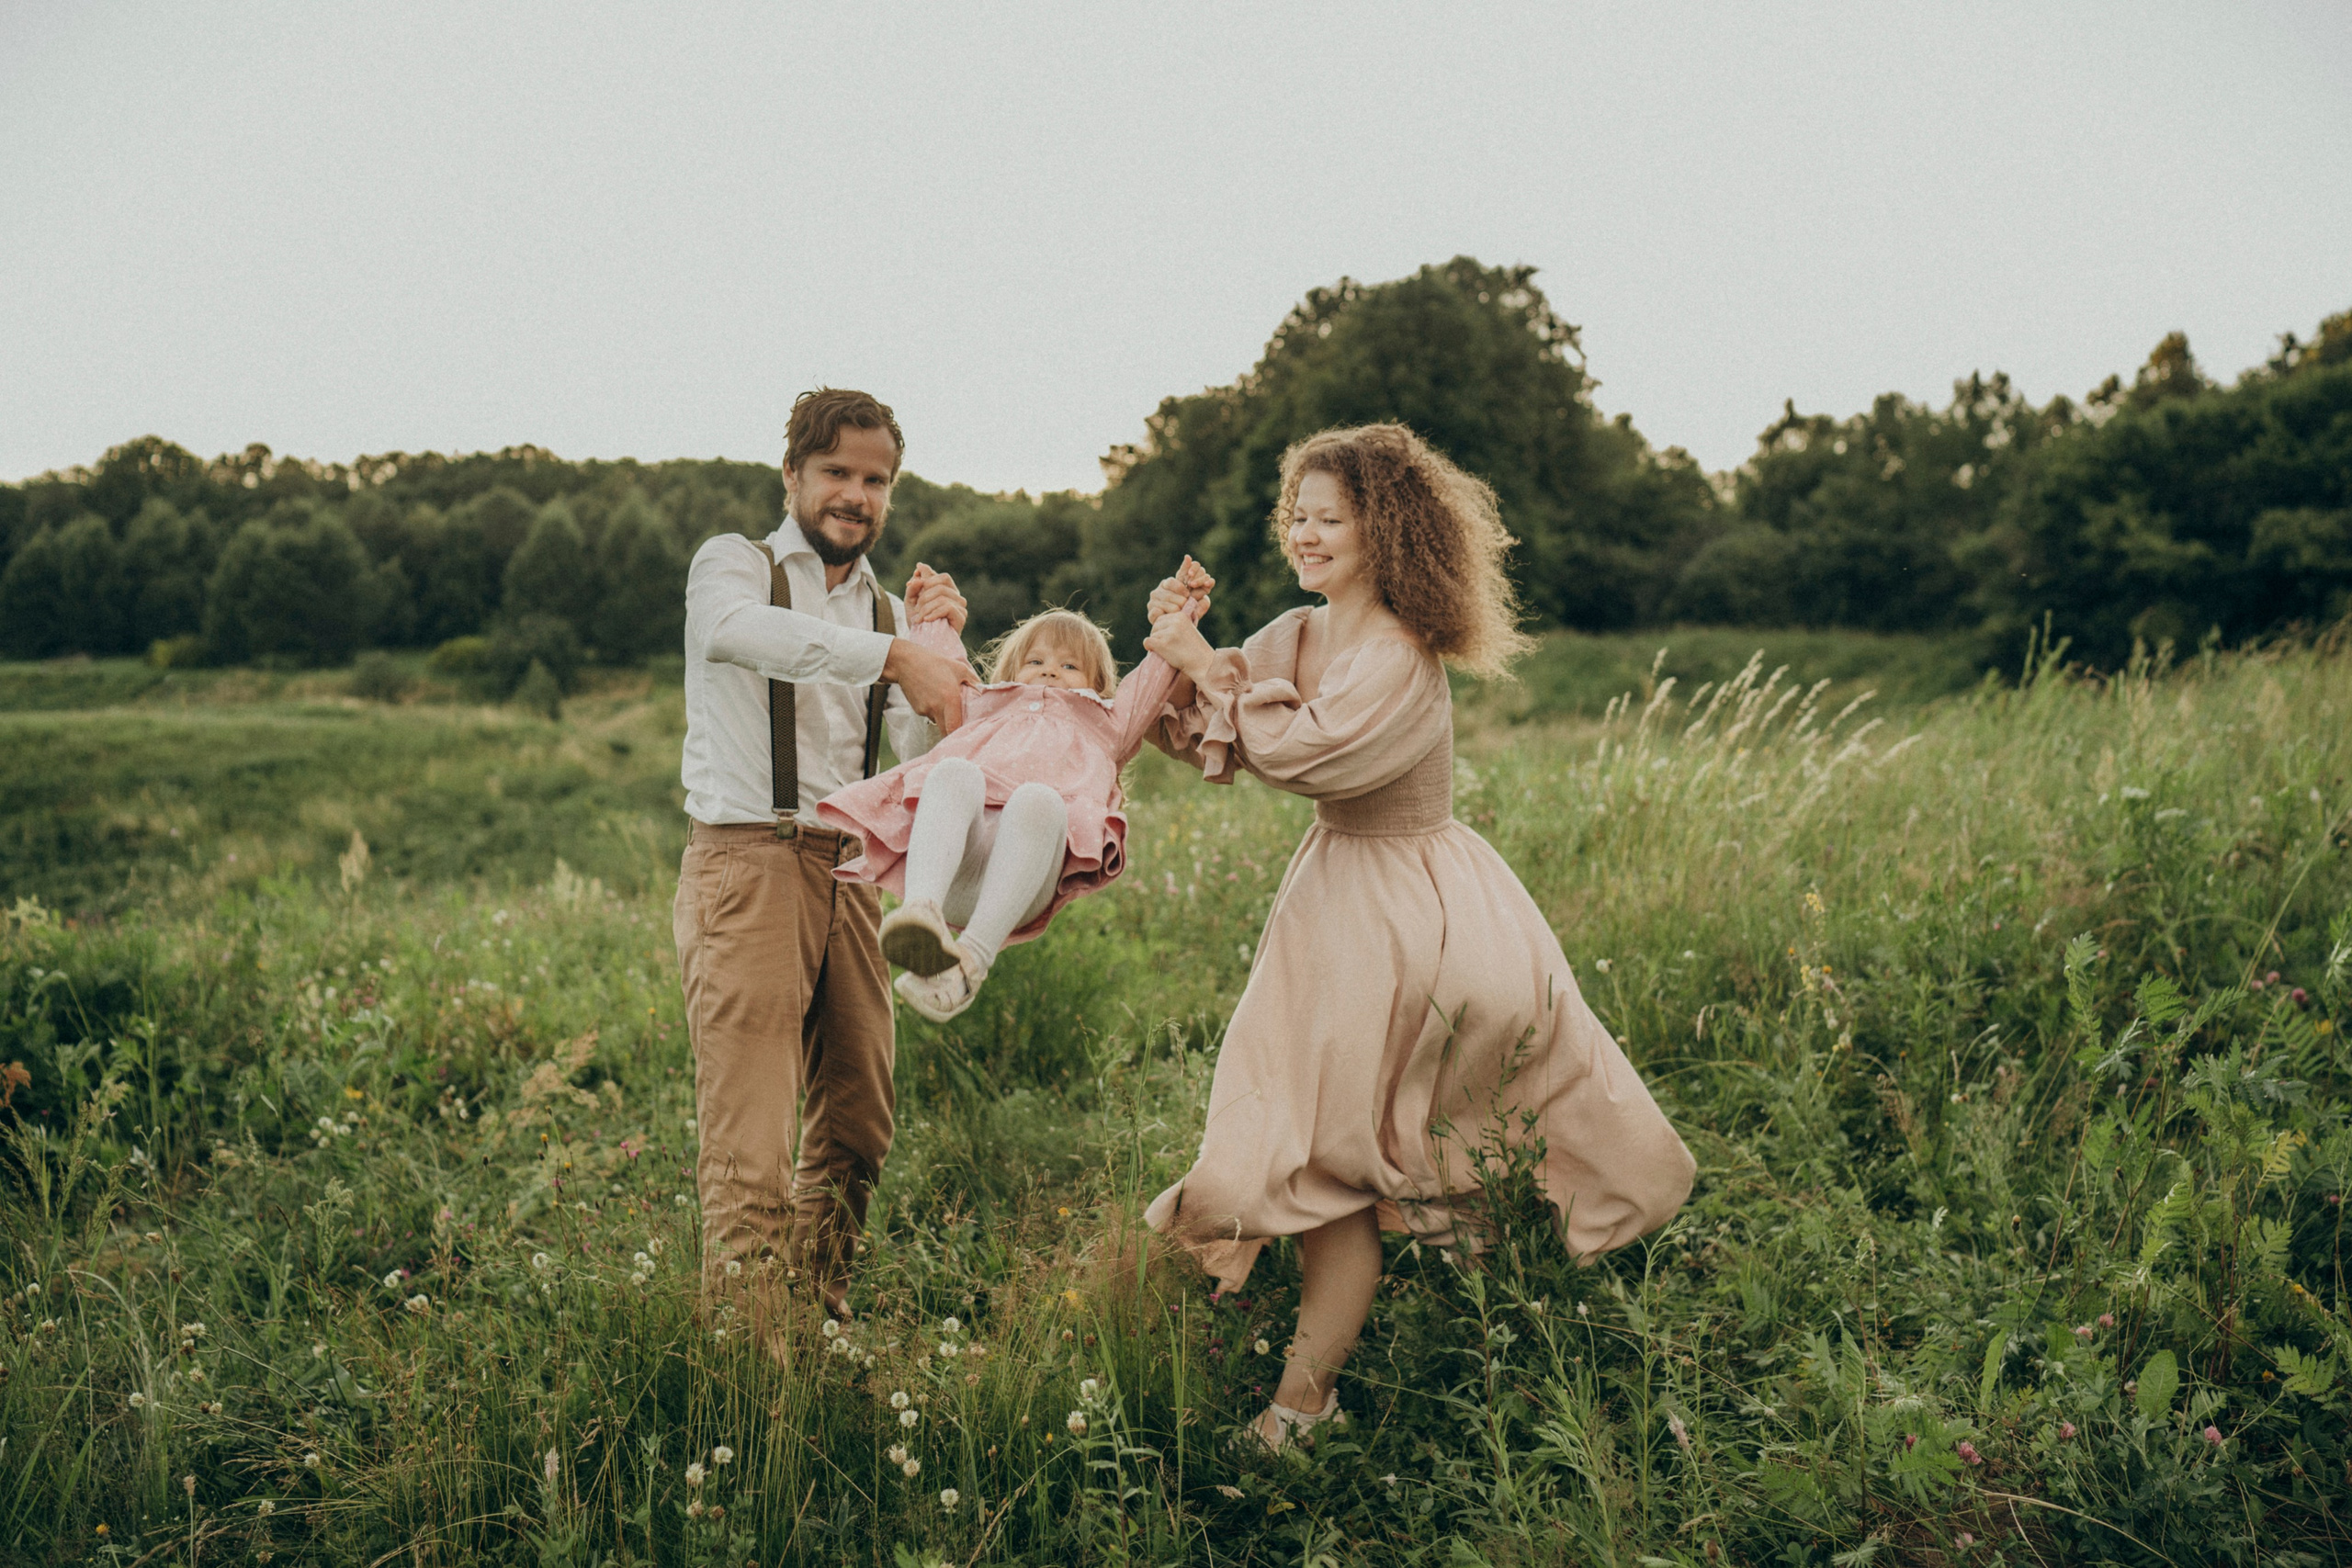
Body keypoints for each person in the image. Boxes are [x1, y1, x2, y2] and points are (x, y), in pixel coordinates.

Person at [1137, 424, 1696, 1450]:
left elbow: (1308, 756)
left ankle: (1317, 1405)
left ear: (1381, 528)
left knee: (1347, 1156)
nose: (1305, 535)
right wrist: (1178, 655)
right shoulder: (1300, 634)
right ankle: (1370, 1370)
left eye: (1329, 519)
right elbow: (1215, 729)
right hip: (1335, 899)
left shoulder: (1396, 650)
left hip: (1406, 910)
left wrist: (1200, 671)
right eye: (1295, 516)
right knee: (1339, 1146)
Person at [673, 386, 977, 1326]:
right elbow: (735, 637)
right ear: (793, 475)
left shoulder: (883, 606)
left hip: (848, 870)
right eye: (838, 472)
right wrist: (891, 655)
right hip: (750, 862)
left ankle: (812, 1316)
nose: (857, 494)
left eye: (876, 480)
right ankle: (754, 1381)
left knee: (856, 1126)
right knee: (750, 1142)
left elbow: (920, 760)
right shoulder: (737, 566)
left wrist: (935, 647)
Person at [818, 594, 1205, 1023]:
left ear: (1098, 688)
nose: (1050, 671)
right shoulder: (981, 705)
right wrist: (933, 615)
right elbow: (943, 664)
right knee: (954, 772)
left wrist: (1180, 611)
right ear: (1009, 673)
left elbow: (1151, 680)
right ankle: (920, 912)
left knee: (1038, 799)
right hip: (955, 870)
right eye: (1035, 661)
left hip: (1023, 880)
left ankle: (970, 963)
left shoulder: (1110, 722)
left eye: (1070, 666)